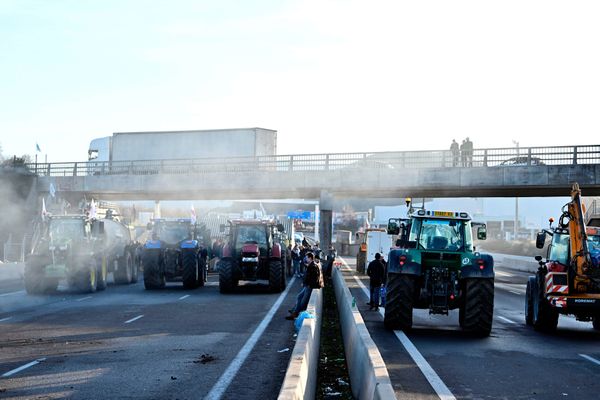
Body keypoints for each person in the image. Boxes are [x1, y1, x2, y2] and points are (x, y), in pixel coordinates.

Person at [286, 252, 323, 319]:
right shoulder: (311, 265)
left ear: (310, 258)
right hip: (307, 285)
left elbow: (313, 278)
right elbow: (307, 276)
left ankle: (296, 314)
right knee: (299, 297)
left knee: (303, 302)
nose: (305, 259)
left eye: (307, 257)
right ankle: (295, 311)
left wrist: (307, 284)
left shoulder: (313, 266)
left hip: (309, 286)